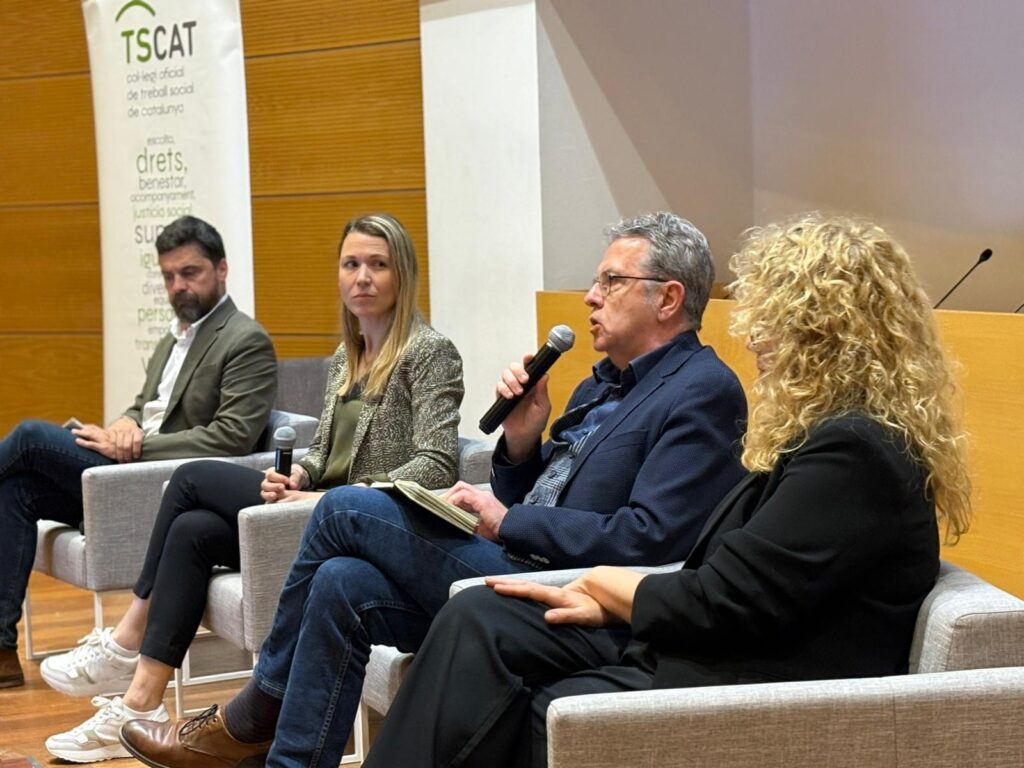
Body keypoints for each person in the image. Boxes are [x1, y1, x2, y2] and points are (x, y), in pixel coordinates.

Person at [343, 213, 975, 768]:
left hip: (761, 676)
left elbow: (725, 594)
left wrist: (603, 588)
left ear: (825, 332)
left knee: (464, 611)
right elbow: (736, 579)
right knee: (475, 615)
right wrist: (527, 457)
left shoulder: (853, 452)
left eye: (773, 320)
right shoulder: (834, 439)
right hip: (715, 641)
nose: (754, 339)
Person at [119, 211, 748, 768]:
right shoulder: (600, 383)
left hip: (568, 589)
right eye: (596, 280)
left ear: (668, 299)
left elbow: (650, 537)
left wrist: (505, 521)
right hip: (519, 556)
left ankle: (256, 711)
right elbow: (543, 493)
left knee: (343, 509)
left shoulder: (702, 391)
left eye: (611, 282)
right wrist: (522, 442)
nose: (590, 296)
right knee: (340, 581)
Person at [42, 213, 465, 763]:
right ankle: (140, 701)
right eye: (351, 264)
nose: (362, 277)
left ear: (402, 273)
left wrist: (325, 498)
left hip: (359, 523)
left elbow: (436, 465)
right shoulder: (347, 354)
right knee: (194, 530)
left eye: (377, 265)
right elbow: (324, 450)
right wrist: (300, 475)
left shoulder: (429, 352)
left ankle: (125, 643)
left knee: (191, 477)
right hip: (308, 511)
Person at [0, 215, 277, 692]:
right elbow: (144, 408)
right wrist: (124, 425)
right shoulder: (174, 337)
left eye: (190, 273)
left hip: (163, 484)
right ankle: (1, 650)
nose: (178, 286)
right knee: (17, 490)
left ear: (222, 269)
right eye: (169, 276)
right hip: (124, 473)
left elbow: (232, 437)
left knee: (29, 436)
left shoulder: (245, 340)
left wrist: (138, 444)